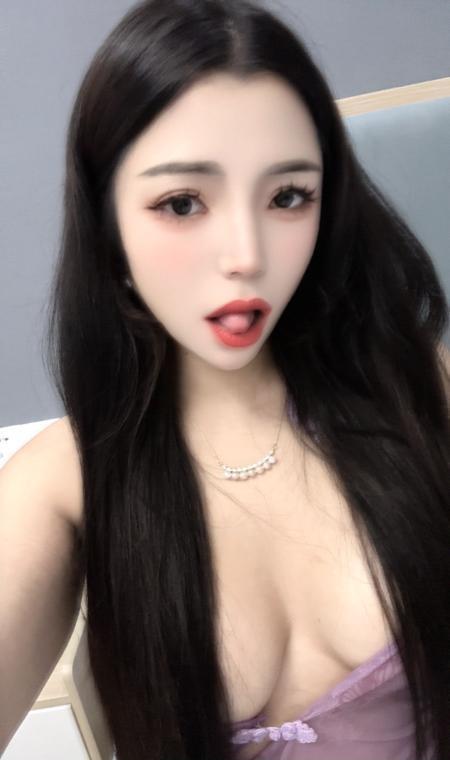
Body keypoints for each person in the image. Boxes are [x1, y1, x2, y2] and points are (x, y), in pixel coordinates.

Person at [1, 1, 449, 758]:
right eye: (182, 203)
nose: (247, 255)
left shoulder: (420, 389)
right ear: (108, 223)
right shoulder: (65, 483)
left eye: (287, 196)